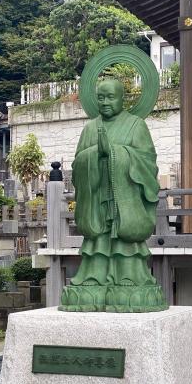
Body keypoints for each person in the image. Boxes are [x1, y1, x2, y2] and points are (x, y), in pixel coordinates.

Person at [70, 79, 160, 288]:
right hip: (97, 197)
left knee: (125, 242)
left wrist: (116, 153)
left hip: (125, 199)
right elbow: (77, 165)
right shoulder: (90, 128)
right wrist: (95, 154)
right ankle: (93, 277)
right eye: (100, 98)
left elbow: (148, 162)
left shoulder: (136, 125)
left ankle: (129, 277)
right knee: (97, 240)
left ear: (122, 99)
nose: (105, 102)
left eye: (110, 97)